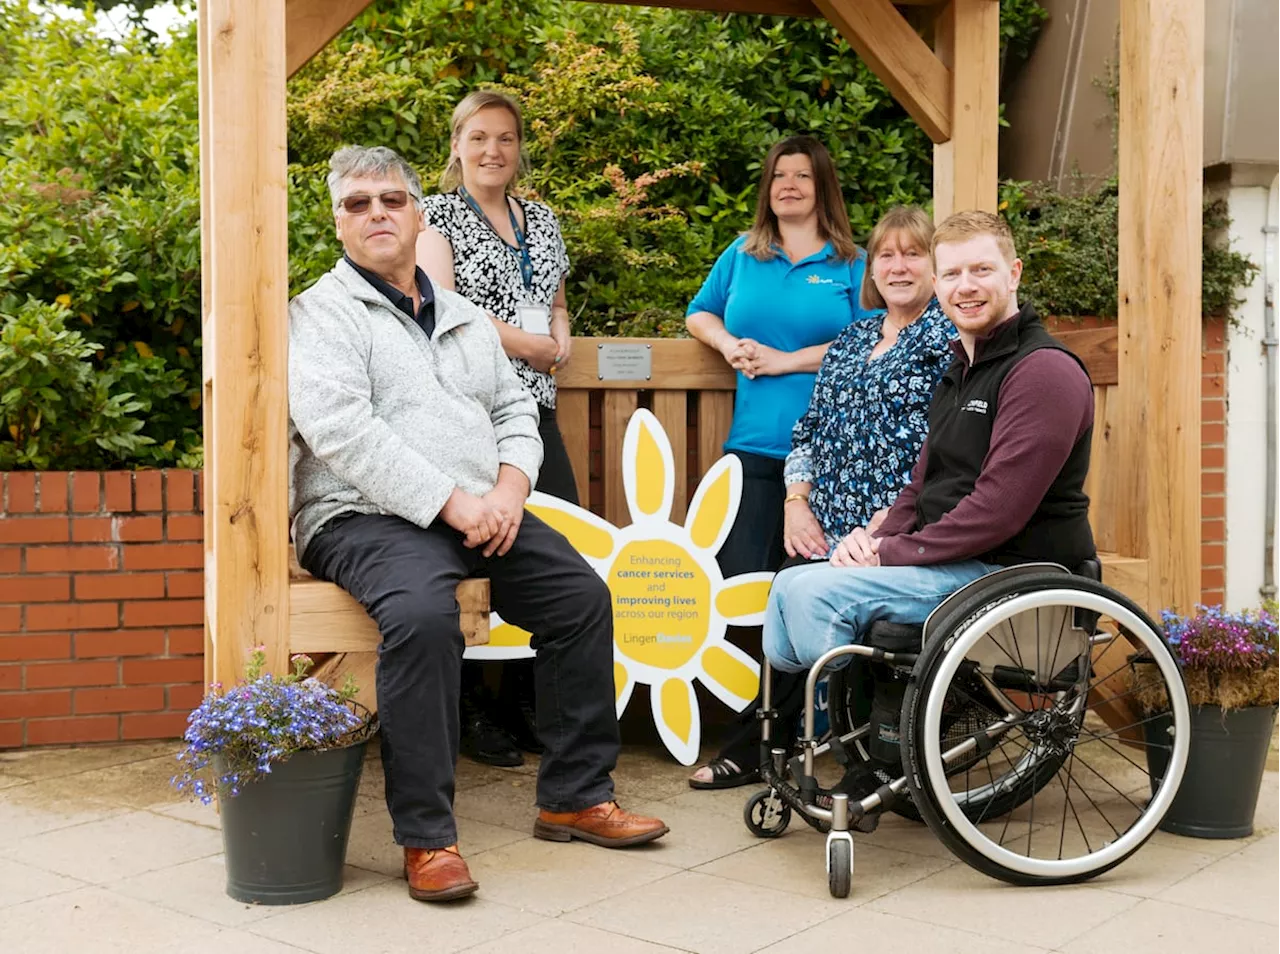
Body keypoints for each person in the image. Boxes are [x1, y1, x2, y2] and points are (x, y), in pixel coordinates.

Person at [289, 145, 667, 904]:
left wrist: (510, 489)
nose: (377, 215)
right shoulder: (318, 312)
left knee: (581, 599)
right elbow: (343, 433)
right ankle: (428, 839)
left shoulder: (459, 314)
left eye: (391, 200)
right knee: (426, 619)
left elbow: (513, 410)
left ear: (418, 212)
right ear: (337, 221)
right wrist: (453, 503)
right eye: (357, 204)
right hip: (360, 515)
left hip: (481, 508)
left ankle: (574, 795)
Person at [687, 205, 955, 789]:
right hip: (824, 518)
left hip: (896, 528)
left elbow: (947, 445)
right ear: (872, 269)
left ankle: (820, 754)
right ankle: (770, 742)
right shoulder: (854, 338)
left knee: (824, 598)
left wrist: (889, 523)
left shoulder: (947, 340)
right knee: (780, 603)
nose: (899, 265)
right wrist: (796, 502)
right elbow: (809, 428)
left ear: (936, 267)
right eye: (887, 254)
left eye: (913, 253)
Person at [764, 209, 1095, 679]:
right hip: (954, 564)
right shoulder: (960, 371)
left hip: (1008, 574)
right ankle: (862, 728)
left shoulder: (1043, 372)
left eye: (981, 270)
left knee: (810, 594)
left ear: (1014, 273)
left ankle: (859, 725)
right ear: (938, 285)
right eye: (954, 274)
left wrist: (892, 553)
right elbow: (920, 488)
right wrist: (872, 540)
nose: (966, 286)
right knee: (788, 583)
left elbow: (996, 511)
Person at [683, 135, 879, 789]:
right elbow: (697, 313)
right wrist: (729, 342)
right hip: (751, 450)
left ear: (824, 186)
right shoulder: (744, 253)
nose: (789, 185)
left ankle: (788, 735)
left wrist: (785, 361)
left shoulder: (852, 263)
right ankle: (777, 728)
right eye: (778, 176)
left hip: (828, 461)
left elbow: (877, 340)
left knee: (810, 596)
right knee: (744, 592)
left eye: (802, 175)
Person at [417, 90, 575, 768]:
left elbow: (557, 300)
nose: (492, 150)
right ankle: (466, 707)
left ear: (519, 149)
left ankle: (523, 699)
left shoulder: (540, 220)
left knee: (561, 548)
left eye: (505, 138)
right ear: (457, 145)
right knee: (460, 554)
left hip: (534, 409)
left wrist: (559, 339)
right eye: (478, 137)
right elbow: (442, 312)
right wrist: (531, 346)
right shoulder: (435, 217)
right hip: (468, 414)